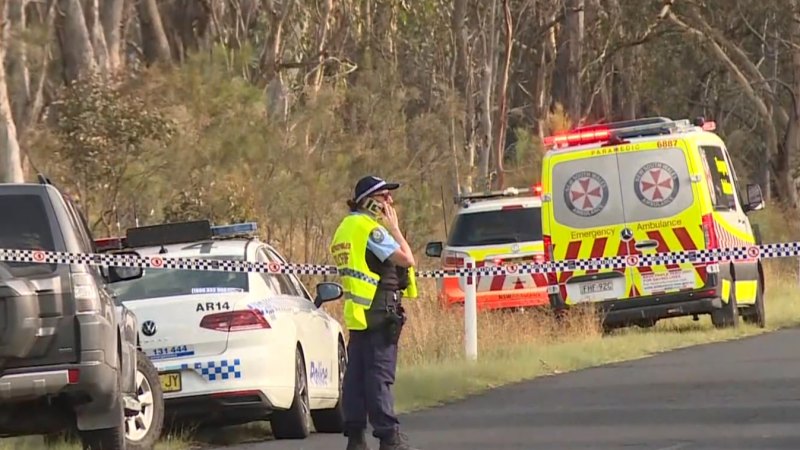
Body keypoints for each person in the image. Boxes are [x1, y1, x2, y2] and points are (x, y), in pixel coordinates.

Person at [329, 175, 420, 450]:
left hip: (360, 313)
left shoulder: (346, 227)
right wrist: (395, 230)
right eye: (384, 197)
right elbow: (407, 260)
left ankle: (356, 437)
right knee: (379, 376)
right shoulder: (371, 230)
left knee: (356, 376)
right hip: (381, 311)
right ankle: (389, 437)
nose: (390, 202)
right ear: (368, 202)